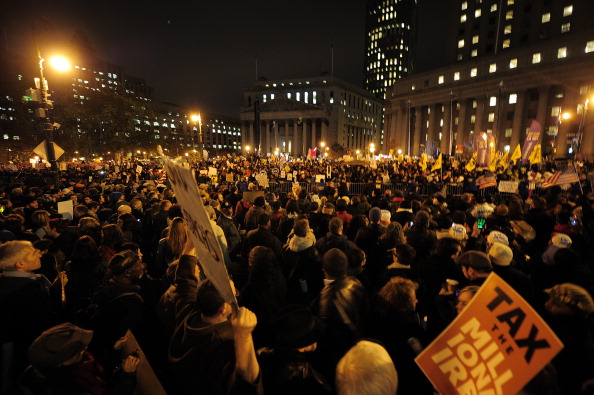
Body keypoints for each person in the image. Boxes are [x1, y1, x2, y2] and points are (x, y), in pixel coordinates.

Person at [0, 240, 64, 392]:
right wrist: (56, 293)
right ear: (20, 263)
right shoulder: (27, 292)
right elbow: (46, 323)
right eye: (33, 253)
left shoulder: (8, 283)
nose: (39, 254)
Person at [16, 323, 140, 395]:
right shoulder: (67, 388)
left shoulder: (49, 367)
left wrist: (114, 351)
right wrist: (128, 379)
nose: (85, 348)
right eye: (79, 349)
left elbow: (95, 369)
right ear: (63, 360)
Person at [312, 248, 368, 381]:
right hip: (358, 353)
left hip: (340, 366)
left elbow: (328, 346)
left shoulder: (323, 302)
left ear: (324, 270)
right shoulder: (357, 283)